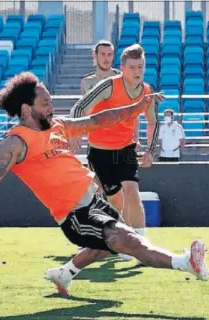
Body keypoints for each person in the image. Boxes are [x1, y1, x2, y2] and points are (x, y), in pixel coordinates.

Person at [0, 72, 209, 295]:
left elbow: (97, 120)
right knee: (127, 240)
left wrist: (137, 108)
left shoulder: (57, 125)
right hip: (75, 214)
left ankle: (63, 274)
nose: (51, 107)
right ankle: (185, 263)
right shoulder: (15, 143)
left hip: (95, 199)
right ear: (26, 108)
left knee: (105, 246)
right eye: (45, 103)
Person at [69, 44, 159, 262]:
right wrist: (75, 133)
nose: (137, 71)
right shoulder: (109, 85)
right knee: (115, 200)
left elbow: (153, 122)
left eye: (140, 66)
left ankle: (141, 247)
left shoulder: (147, 92)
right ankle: (111, 241)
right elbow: (80, 108)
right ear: (123, 68)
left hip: (126, 148)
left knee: (132, 191)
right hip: (100, 151)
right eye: (132, 67)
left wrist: (150, 150)